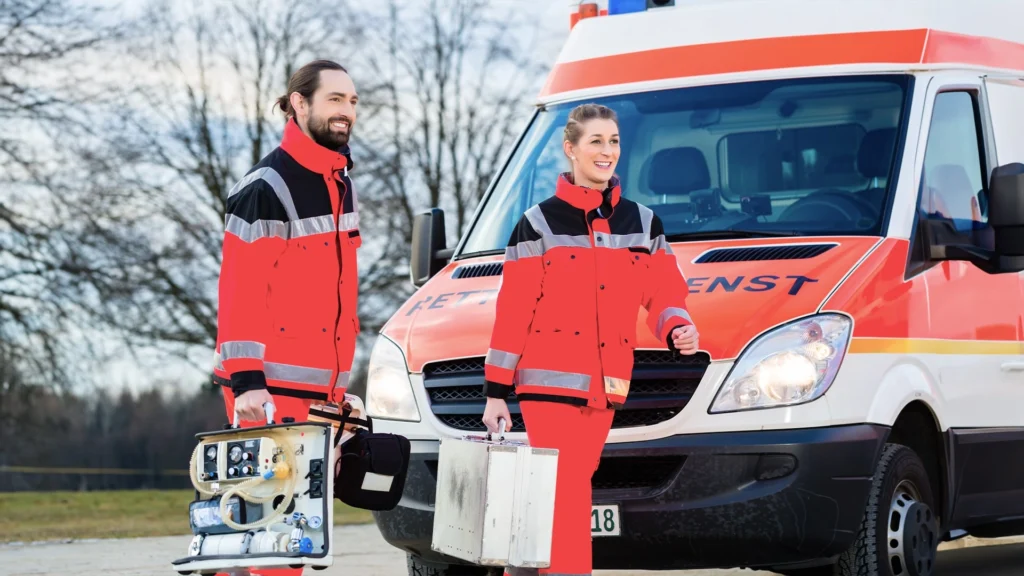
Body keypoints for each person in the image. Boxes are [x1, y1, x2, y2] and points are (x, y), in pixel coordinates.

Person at [481, 103, 699, 576]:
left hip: (606, 387)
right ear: (570, 149)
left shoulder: (643, 224)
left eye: (614, 141)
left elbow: (663, 291)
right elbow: (514, 308)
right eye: (596, 141)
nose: (607, 151)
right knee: (565, 497)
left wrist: (676, 325)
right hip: (547, 387)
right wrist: (496, 390)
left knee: (566, 496)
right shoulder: (538, 224)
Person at [211, 59, 362, 576]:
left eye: (352, 101)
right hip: (269, 388)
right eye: (335, 99)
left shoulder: (341, 183)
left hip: (319, 391)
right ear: (299, 104)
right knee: (277, 541)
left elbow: (335, 300)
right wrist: (248, 383)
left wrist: (341, 391)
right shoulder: (266, 188)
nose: (346, 111)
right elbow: (239, 293)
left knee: (296, 541)